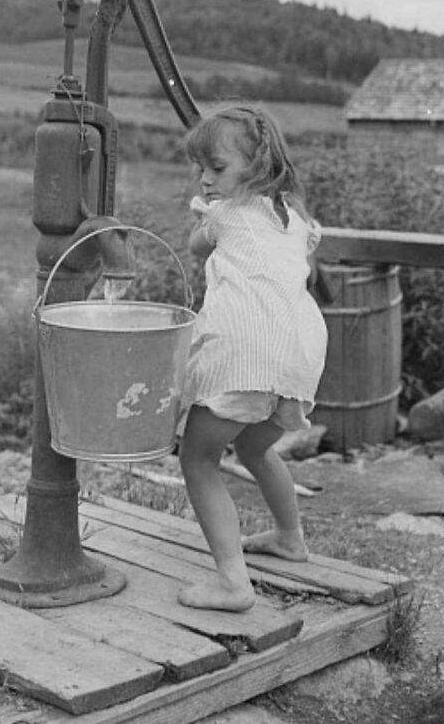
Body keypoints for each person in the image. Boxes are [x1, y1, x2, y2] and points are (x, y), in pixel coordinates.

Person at [178, 103, 328, 612]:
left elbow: (197, 245)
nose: (205, 180)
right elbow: (298, 266)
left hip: (247, 348)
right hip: (301, 352)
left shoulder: (223, 212)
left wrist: (209, 214)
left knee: (197, 457)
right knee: (256, 449)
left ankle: (232, 583)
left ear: (260, 165)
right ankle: (291, 538)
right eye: (200, 169)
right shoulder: (297, 219)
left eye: (216, 169)